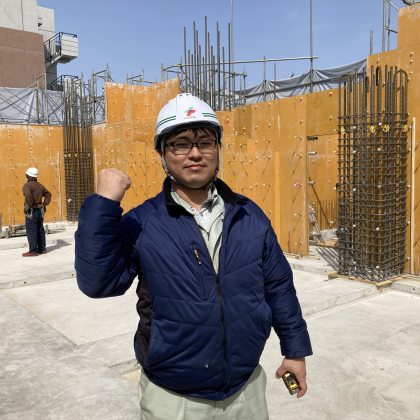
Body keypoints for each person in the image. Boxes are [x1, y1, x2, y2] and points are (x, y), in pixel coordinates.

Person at [75, 93, 312, 419]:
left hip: (245, 391)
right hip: (174, 399)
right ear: (162, 154)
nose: (196, 153)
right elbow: (99, 283)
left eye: (205, 142)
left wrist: (295, 351)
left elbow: (279, 287)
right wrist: (103, 205)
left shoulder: (248, 215)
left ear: (218, 148)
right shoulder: (144, 223)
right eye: (181, 144)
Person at [22, 167, 51, 257]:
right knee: (40, 229)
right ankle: (42, 249)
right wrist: (44, 204)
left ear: (28, 176)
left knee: (31, 230)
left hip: (32, 211)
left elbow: (28, 195)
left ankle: (33, 251)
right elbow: (48, 194)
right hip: (40, 211)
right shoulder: (40, 185)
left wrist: (30, 205)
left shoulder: (27, 186)